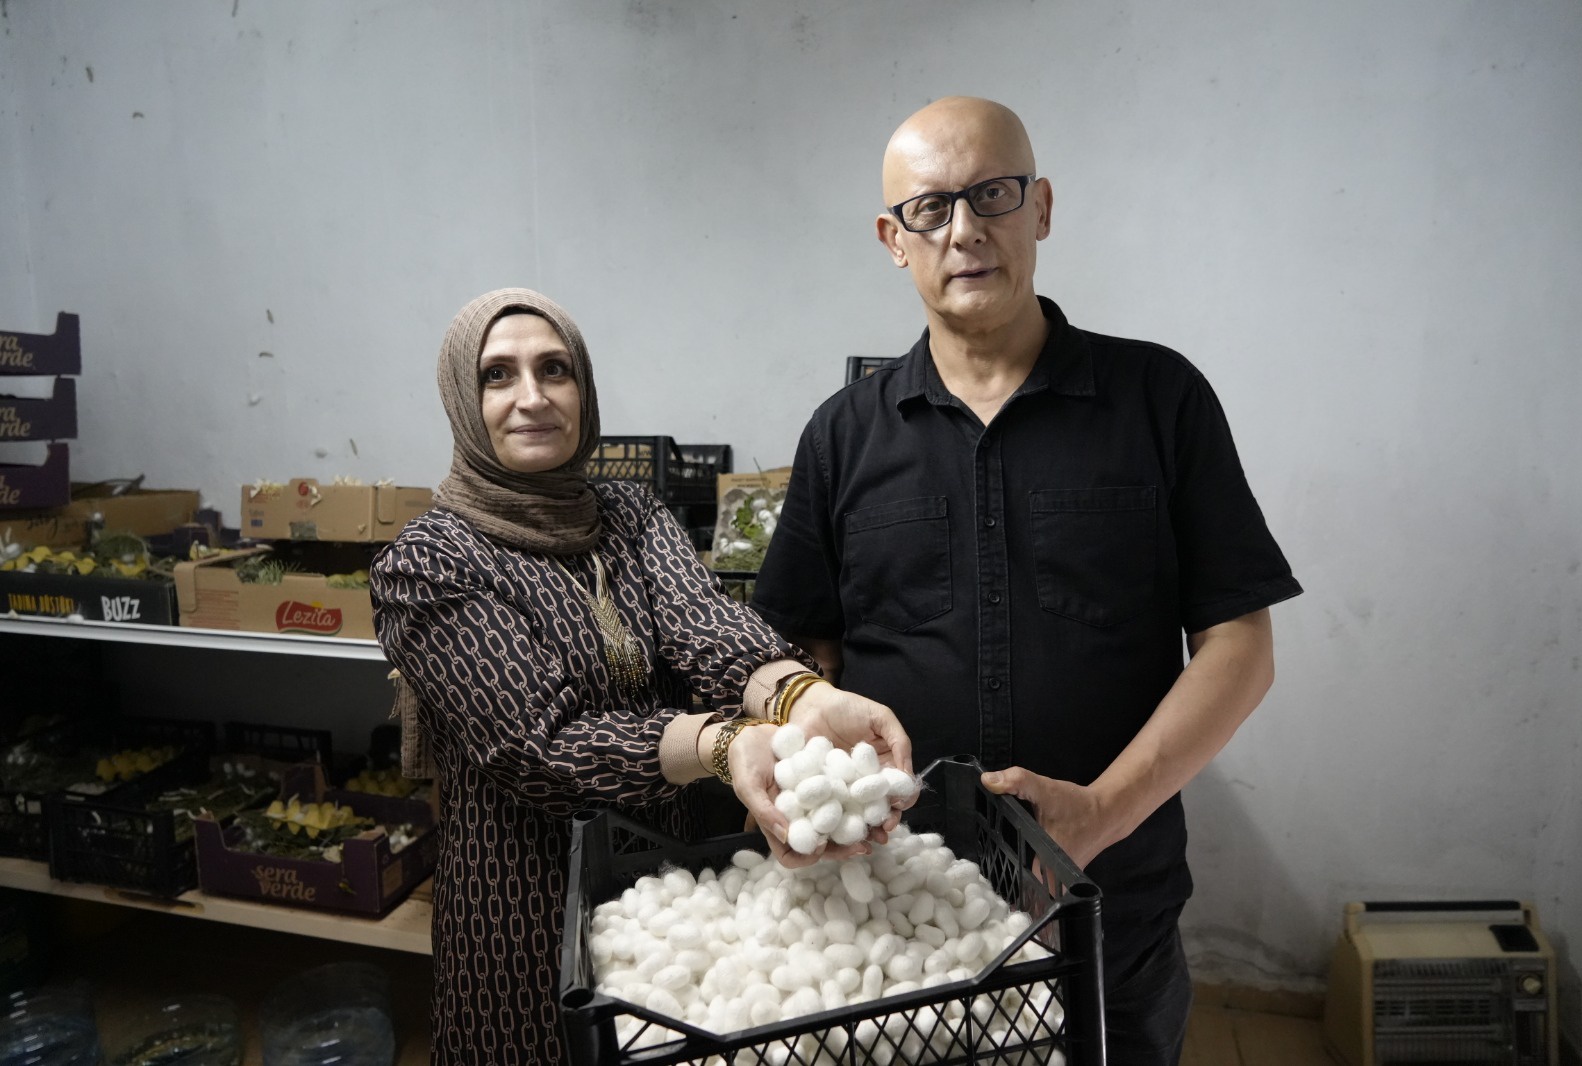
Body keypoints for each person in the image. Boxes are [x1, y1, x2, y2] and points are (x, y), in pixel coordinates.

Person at [751, 98, 1303, 1066]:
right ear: (893, 238)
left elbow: (1239, 646)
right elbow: (805, 648)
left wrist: (1100, 815)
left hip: (1110, 899)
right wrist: (804, 766)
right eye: (929, 209)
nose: (964, 230)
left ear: (1039, 207)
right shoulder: (843, 433)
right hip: (898, 904)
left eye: (992, 195)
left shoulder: (1158, 398)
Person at [368, 288, 913, 1065]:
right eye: (498, 375)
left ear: (583, 390)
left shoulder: (630, 513)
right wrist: (723, 745)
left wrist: (805, 696)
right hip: (525, 900)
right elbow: (539, 747)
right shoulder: (430, 560)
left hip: (663, 880)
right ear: (463, 397)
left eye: (554, 369)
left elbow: (704, 625)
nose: (532, 397)